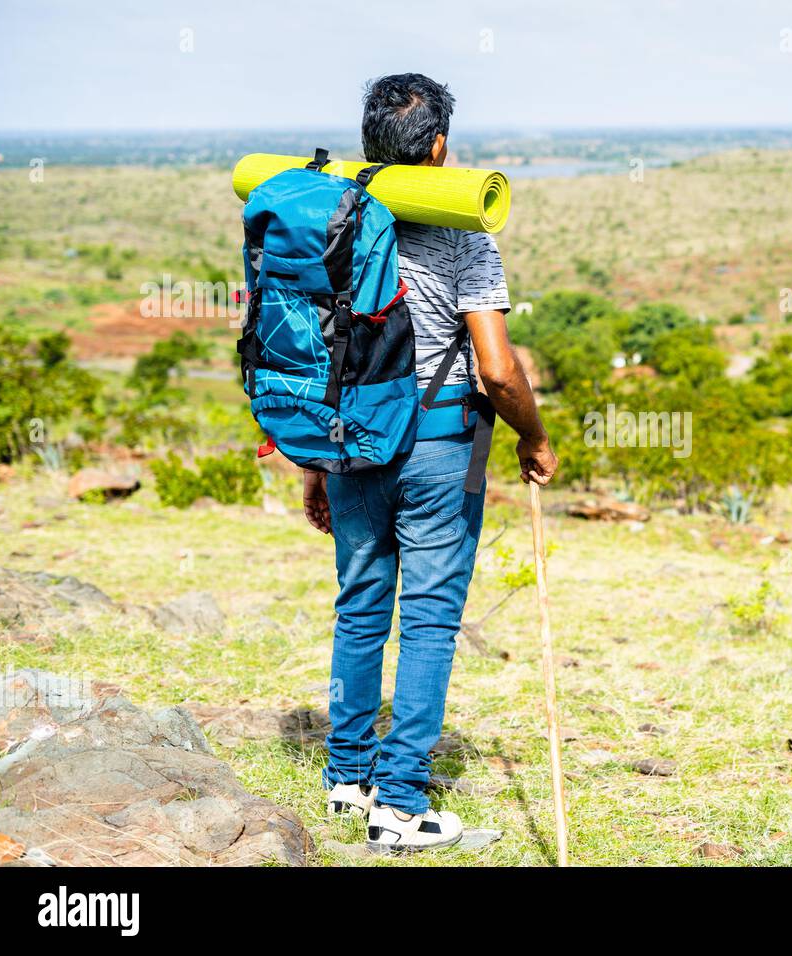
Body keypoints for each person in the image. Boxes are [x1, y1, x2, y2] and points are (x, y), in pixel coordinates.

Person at [300, 72, 557, 852]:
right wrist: (534, 436)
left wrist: (314, 465)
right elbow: (499, 371)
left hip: (348, 439)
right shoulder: (464, 235)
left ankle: (347, 779)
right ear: (440, 145)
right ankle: (401, 805)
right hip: (440, 449)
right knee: (431, 622)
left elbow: (321, 350)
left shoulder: (333, 220)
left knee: (360, 605)